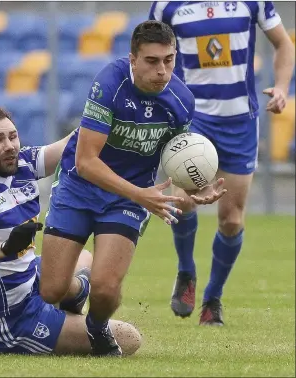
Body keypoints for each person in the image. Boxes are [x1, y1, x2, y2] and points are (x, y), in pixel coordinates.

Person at [39, 20, 226, 357]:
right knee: (51, 290)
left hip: (124, 201)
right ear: (133, 59)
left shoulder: (182, 101)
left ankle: (96, 329)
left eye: (168, 60)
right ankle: (79, 286)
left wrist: (193, 190)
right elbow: (86, 161)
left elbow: (179, 157)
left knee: (107, 290)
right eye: (152, 61)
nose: (162, 70)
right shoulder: (109, 83)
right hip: (79, 187)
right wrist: (141, 194)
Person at [0, 106, 142, 356]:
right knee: (129, 338)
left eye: (12, 136)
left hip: (31, 282)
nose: (9, 145)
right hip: (10, 318)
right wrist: (5, 248)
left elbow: (71, 143)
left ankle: (73, 296)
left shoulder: (21, 164)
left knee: (83, 258)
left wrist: (112, 109)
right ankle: (74, 299)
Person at [149, 1, 295, 325]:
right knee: (183, 200)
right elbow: (150, 52)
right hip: (192, 116)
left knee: (231, 220)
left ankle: (212, 298)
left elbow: (283, 43)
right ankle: (186, 271)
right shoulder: (167, 6)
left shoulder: (252, 2)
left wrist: (283, 88)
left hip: (240, 122)